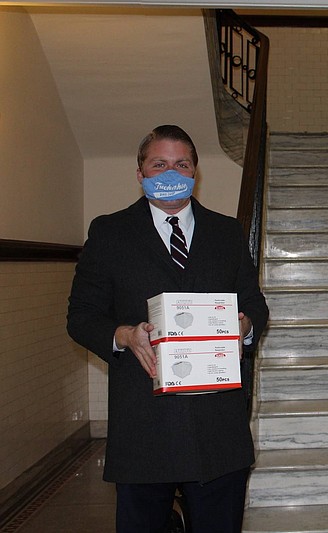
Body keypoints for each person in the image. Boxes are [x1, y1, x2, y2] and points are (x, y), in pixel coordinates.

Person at [67, 125, 269, 533]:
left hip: (217, 426)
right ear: (140, 173)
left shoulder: (227, 233)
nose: (171, 172)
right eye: (159, 164)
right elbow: (81, 316)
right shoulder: (108, 233)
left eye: (182, 164)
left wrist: (245, 325)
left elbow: (255, 304)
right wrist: (123, 336)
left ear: (196, 172)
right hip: (144, 425)